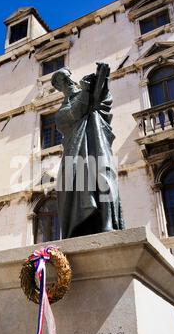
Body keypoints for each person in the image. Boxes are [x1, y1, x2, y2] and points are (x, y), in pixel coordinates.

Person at [51, 63, 125, 239]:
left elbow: (104, 100)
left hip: (97, 141)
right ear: (58, 87)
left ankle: (108, 224)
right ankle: (82, 227)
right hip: (75, 152)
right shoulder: (61, 112)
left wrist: (102, 78)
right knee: (77, 187)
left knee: (104, 177)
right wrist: (85, 92)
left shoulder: (88, 93)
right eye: (63, 79)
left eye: (68, 76)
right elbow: (75, 113)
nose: (68, 80)